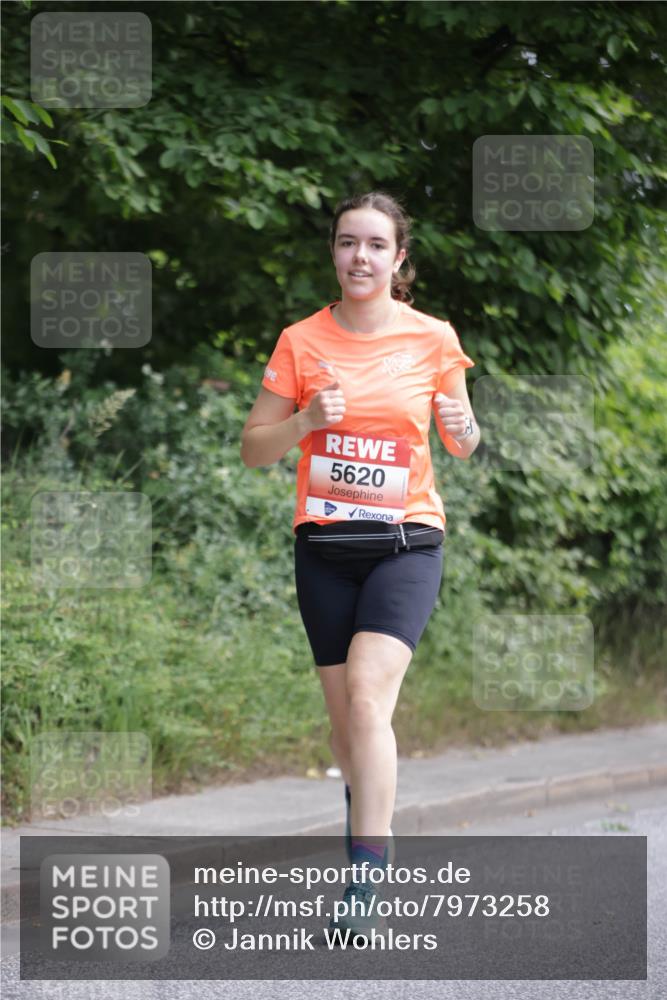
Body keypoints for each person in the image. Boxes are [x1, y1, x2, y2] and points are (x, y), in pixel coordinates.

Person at [240, 190, 479, 937]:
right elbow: (254, 448)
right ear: (334, 252)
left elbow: (462, 439)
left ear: (398, 258)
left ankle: (364, 880)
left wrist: (464, 426)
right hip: (326, 549)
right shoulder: (300, 341)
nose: (360, 257)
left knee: (371, 701)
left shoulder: (433, 339)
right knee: (344, 729)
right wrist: (304, 421)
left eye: (376, 245)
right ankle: (371, 818)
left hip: (407, 540)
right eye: (348, 243)